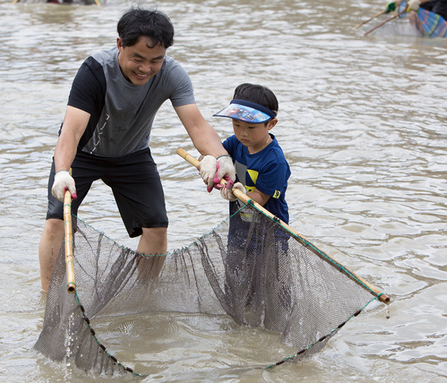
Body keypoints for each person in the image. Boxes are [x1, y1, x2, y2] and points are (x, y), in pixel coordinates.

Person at [38, 6, 234, 292]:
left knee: (157, 227)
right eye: (137, 58)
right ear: (120, 44)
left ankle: (143, 296)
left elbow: (197, 126)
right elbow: (71, 131)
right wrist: (62, 172)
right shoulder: (95, 70)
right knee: (58, 221)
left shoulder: (172, 74)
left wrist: (221, 157)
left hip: (132, 156)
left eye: (156, 60)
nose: (146, 68)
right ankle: (47, 296)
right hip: (81, 154)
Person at [212, 83, 292, 327]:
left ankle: (272, 329)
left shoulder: (274, 161)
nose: (242, 133)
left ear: (271, 124)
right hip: (239, 231)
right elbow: (217, 153)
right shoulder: (236, 145)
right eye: (237, 125)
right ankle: (239, 328)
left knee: (270, 288)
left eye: (250, 127)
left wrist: (235, 192)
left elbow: (259, 199)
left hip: (271, 235)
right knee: (236, 284)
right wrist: (212, 165)